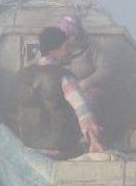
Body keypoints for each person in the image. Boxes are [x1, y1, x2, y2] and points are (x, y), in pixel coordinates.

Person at [15, 27, 104, 159]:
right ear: (53, 51)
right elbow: (82, 110)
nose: (70, 52)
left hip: (29, 146)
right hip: (60, 149)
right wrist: (94, 140)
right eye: (66, 47)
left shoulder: (22, 75)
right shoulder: (64, 76)